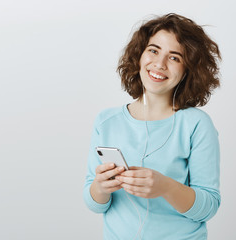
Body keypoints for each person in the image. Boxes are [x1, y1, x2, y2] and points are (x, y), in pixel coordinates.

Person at [83, 13, 221, 240]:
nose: (159, 64)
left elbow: (209, 207)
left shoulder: (197, 124)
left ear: (188, 70)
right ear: (139, 55)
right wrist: (101, 187)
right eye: (154, 50)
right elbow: (95, 204)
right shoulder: (106, 122)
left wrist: (166, 187)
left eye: (174, 58)